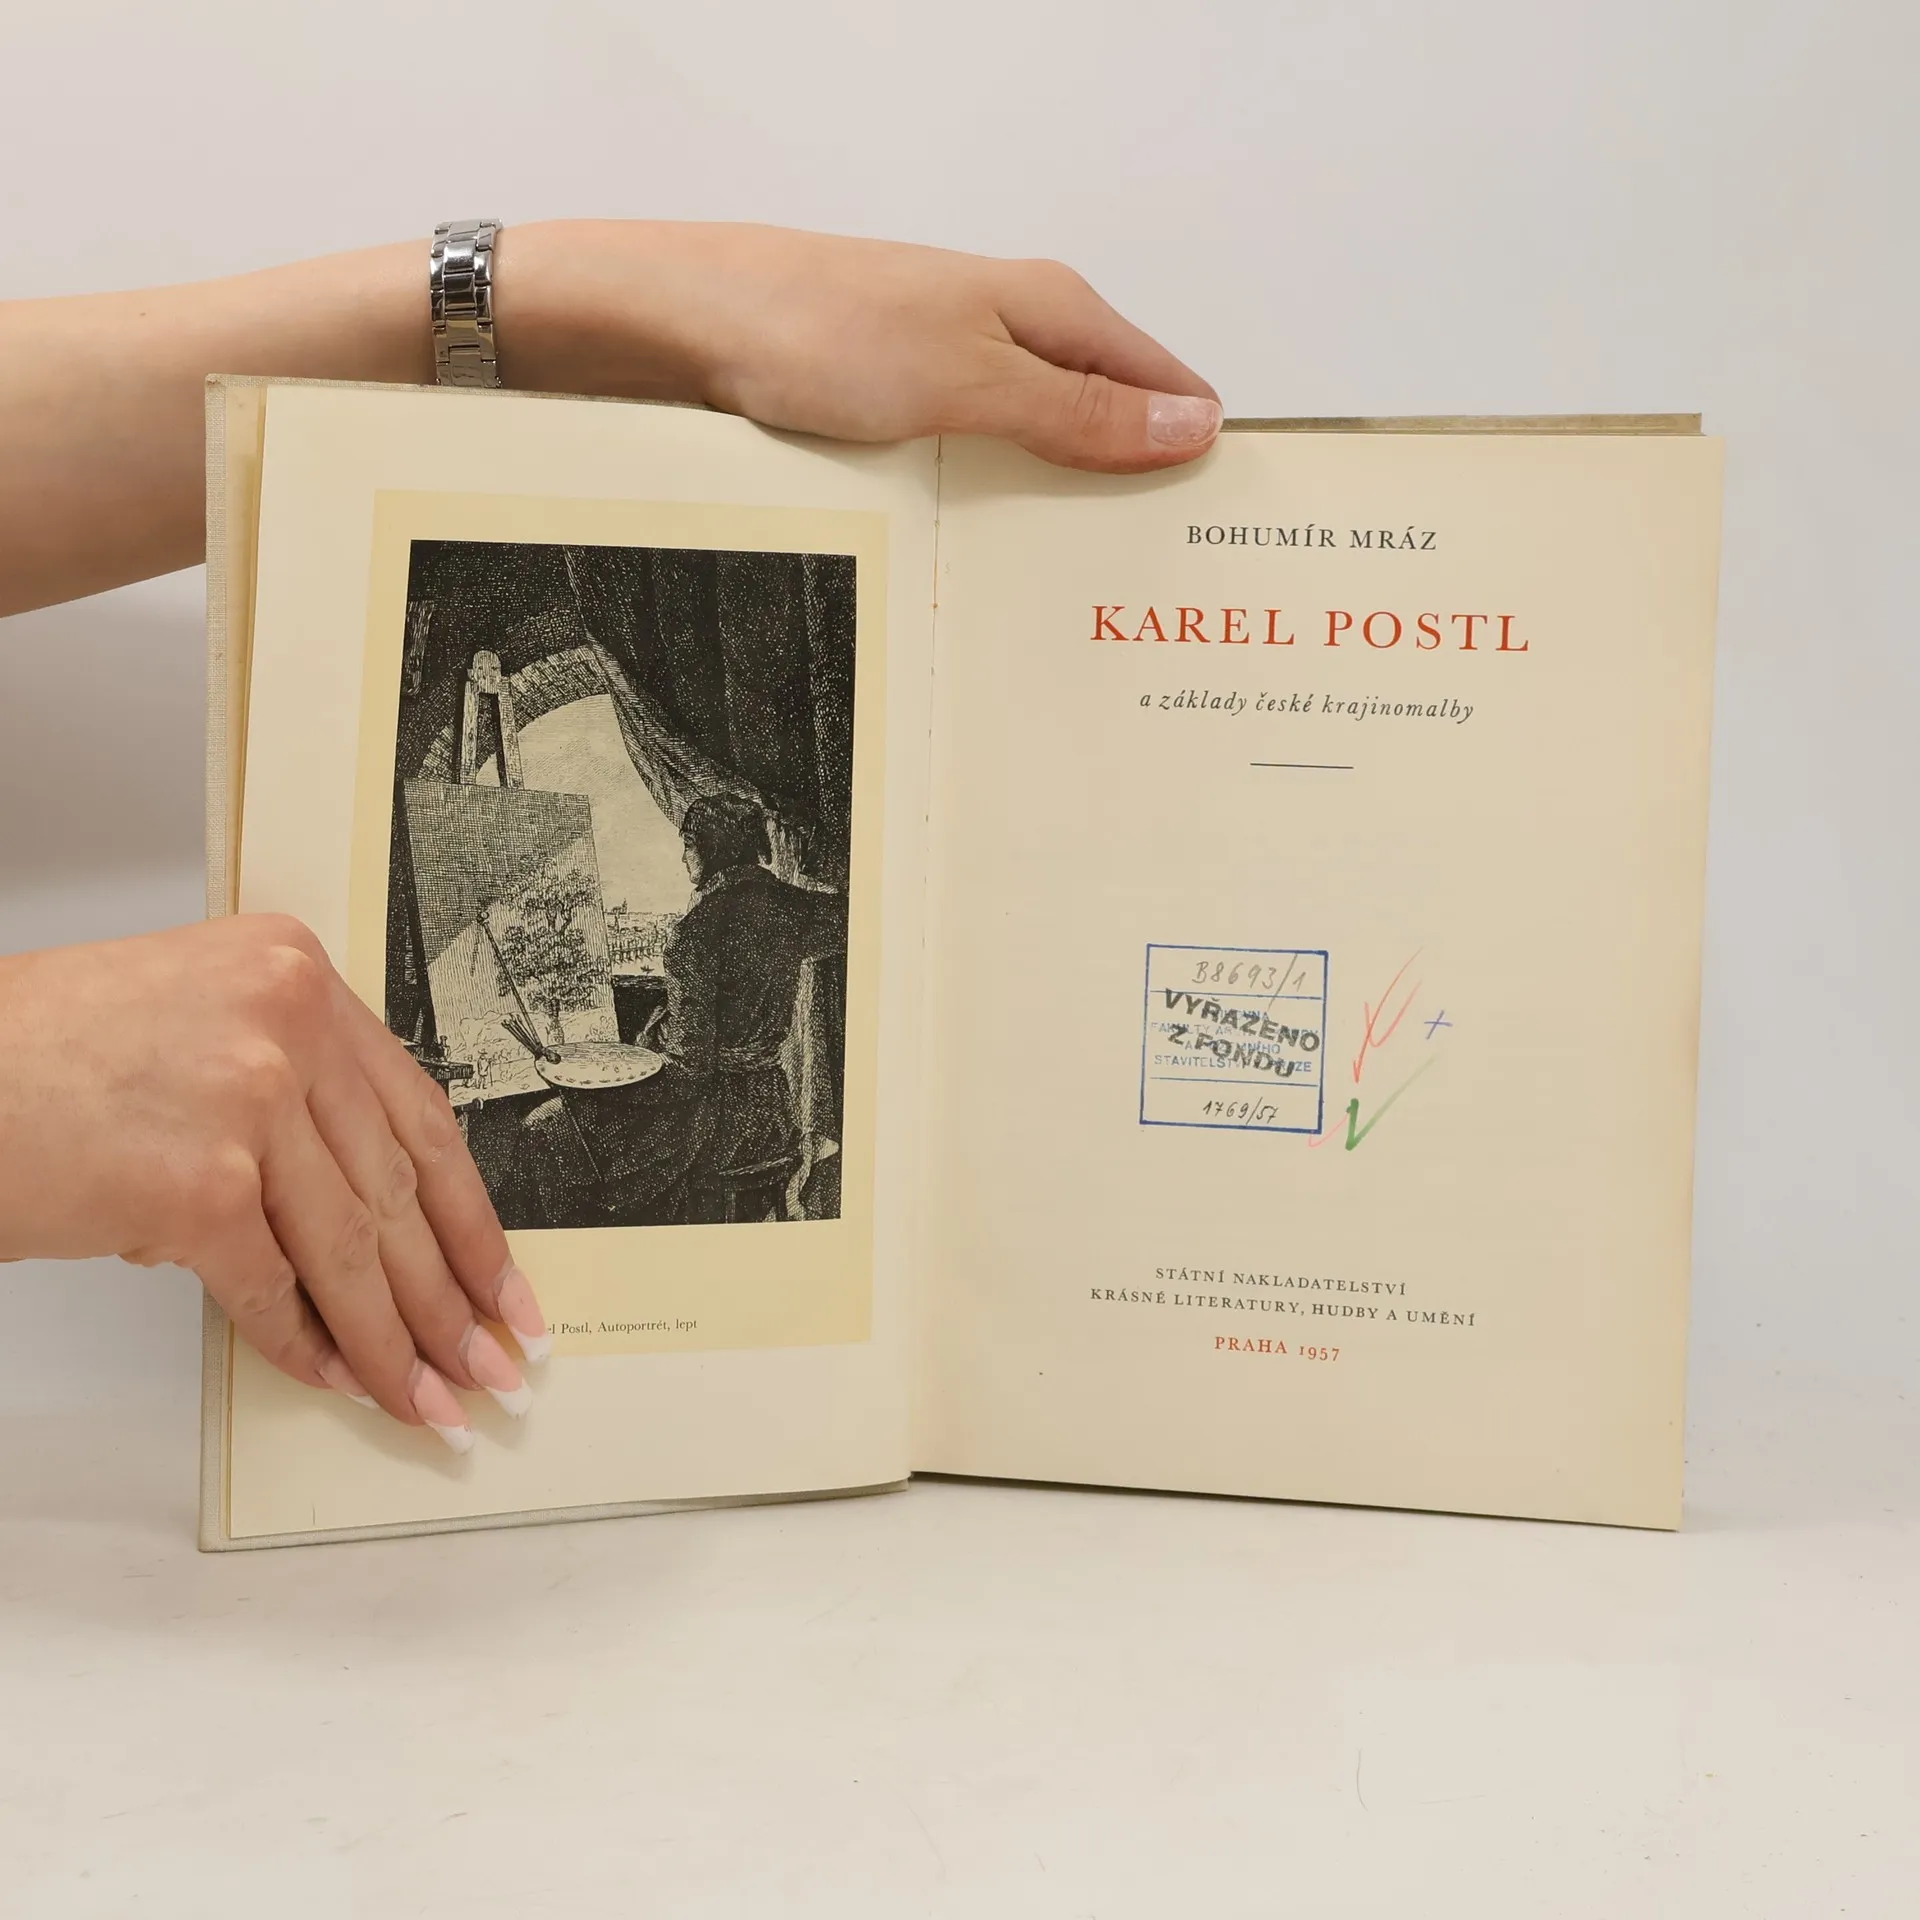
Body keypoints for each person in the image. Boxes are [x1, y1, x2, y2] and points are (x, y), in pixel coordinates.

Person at [0, 219, 1220, 1450]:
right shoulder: (780, 906)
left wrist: (616, 298)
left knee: (567, 1156)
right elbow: (840, 933)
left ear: (706, 843)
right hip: (744, 1110)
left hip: (718, 1109)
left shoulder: (725, 917)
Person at [519, 792, 847, 1228]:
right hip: (771, 1109)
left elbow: (690, 1068)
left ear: (712, 848)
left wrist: (610, 1088)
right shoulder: (794, 907)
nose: (683, 857)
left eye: (689, 844)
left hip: (716, 1124)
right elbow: (851, 919)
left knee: (546, 1127)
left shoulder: (695, 932)